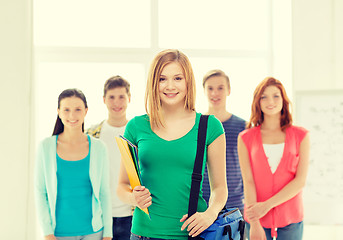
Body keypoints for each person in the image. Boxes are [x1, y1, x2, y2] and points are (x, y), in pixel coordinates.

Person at [117, 49, 228, 240]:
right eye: (162, 79)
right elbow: (121, 185)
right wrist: (132, 198)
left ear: (188, 82)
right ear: (154, 83)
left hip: (193, 234)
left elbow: (220, 188)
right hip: (144, 234)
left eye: (178, 78)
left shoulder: (210, 127)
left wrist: (210, 214)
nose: (170, 86)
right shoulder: (135, 127)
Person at [237, 77, 310, 240]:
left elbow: (300, 181)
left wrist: (266, 206)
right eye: (264, 96)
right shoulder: (245, 138)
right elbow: (248, 180)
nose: (270, 101)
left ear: (283, 100)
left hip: (291, 217)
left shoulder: (301, 135)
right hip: (256, 219)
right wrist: (255, 222)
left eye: (276, 96)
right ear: (258, 101)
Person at [34, 88, 112, 240]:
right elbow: (40, 192)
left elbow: (104, 192)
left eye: (78, 109)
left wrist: (108, 234)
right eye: (66, 110)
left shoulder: (99, 147)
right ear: (58, 111)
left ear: (86, 111)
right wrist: (47, 232)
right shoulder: (45, 147)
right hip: (58, 234)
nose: (72, 116)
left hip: (94, 232)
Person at [86, 76, 133, 240]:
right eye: (112, 97)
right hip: (98, 215)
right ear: (104, 100)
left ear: (129, 99)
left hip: (132, 215)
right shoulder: (91, 134)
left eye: (121, 97)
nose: (116, 103)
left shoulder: (138, 133)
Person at [201, 69, 246, 215]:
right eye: (210, 88)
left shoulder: (243, 126)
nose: (215, 93)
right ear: (204, 91)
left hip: (235, 205)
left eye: (220, 88)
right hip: (202, 204)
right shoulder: (196, 125)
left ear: (229, 90)